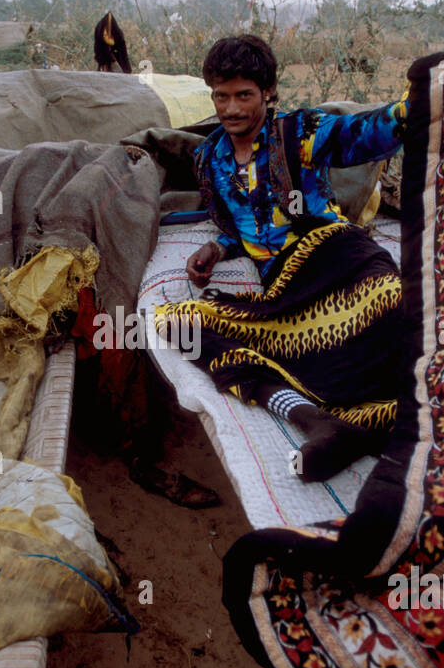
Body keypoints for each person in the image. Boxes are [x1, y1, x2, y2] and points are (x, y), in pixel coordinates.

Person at [155, 35, 407, 482]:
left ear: (268, 92)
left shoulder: (299, 132)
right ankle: (317, 421)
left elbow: (365, 135)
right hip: (287, 287)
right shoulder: (211, 158)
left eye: (243, 95)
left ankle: (375, 423)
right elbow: (241, 228)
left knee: (387, 307)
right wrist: (216, 247)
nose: (231, 108)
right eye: (221, 95)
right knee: (184, 326)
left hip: (340, 255)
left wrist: (411, 108)